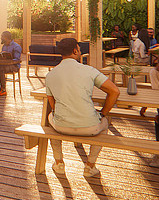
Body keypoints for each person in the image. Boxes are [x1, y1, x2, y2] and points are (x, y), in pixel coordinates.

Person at [45, 37, 120, 178]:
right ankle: (90, 165)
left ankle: (59, 162)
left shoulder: (50, 75)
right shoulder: (89, 70)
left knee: (49, 119)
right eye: (79, 49)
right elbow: (114, 91)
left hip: (61, 127)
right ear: (75, 51)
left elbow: (53, 105)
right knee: (104, 124)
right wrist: (103, 113)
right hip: (90, 128)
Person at [0, 30, 22, 96]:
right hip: (5, 65)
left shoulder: (16, 47)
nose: (1, 38)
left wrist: (9, 60)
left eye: (2, 37)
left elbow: (17, 59)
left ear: (6, 38)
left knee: (1, 69)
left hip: (14, 66)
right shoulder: (4, 46)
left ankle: (3, 89)